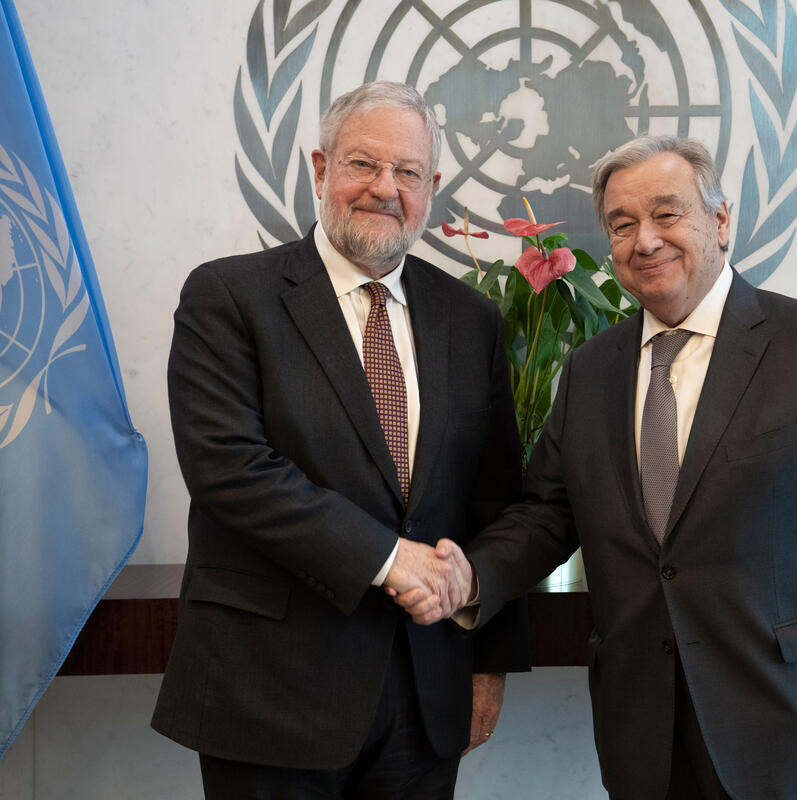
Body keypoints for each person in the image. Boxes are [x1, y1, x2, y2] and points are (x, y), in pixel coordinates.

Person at [402, 136, 797, 800]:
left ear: (720, 221)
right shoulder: (591, 370)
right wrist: (470, 576)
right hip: (642, 729)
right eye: (622, 225)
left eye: (667, 214)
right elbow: (546, 516)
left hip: (786, 724)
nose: (645, 240)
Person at [152, 81, 529, 798]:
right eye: (363, 164)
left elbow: (494, 500)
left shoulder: (470, 318)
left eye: (408, 171)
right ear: (321, 169)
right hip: (270, 692)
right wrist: (389, 559)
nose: (385, 188)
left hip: (425, 697)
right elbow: (229, 467)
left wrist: (488, 662)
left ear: (432, 189)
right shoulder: (229, 296)